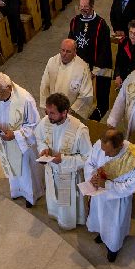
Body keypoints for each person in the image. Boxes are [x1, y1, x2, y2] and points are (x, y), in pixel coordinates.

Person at [83, 127, 135, 262]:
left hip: (117, 200)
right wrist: (93, 176)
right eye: (104, 151)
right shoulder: (100, 145)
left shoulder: (133, 157)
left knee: (114, 226)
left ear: (120, 145)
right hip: (99, 195)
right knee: (99, 217)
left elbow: (132, 185)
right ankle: (101, 233)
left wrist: (107, 185)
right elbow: (90, 162)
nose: (105, 155)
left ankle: (113, 248)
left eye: (109, 152)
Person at [34, 93, 93, 231]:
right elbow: (39, 137)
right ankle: (57, 215)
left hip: (68, 176)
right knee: (54, 197)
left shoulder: (80, 130)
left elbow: (87, 158)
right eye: (47, 112)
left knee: (66, 204)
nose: (48, 116)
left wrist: (64, 160)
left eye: (52, 113)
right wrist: (43, 149)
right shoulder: (46, 122)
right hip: (51, 172)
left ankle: (68, 221)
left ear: (64, 112)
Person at [0, 73, 43, 207]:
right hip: (4, 141)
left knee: (26, 173)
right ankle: (16, 191)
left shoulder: (25, 99)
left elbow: (34, 125)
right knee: (13, 171)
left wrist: (15, 134)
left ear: (8, 88)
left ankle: (30, 196)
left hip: (22, 145)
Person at [68, 0, 114, 119]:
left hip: (94, 68)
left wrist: (95, 71)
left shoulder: (101, 25)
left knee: (97, 98)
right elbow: (70, 43)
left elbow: (105, 50)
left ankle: (93, 119)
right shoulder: (74, 21)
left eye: (86, 7)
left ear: (92, 6)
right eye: (81, 6)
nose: (82, 9)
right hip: (77, 66)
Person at [40, 39, 95, 120]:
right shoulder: (52, 61)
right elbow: (44, 85)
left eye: (68, 51)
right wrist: (47, 106)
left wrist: (70, 111)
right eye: (62, 50)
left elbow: (86, 95)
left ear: (75, 52)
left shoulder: (82, 67)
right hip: (52, 110)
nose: (64, 54)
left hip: (71, 113)